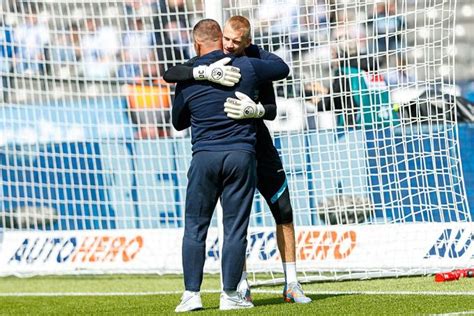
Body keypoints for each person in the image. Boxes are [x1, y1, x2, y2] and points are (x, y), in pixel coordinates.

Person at [164, 16, 311, 304]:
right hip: (239, 152)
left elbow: (271, 106)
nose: (229, 46)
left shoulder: (254, 65)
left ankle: (291, 283)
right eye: (226, 40)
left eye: (235, 41)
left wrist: (255, 110)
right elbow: (173, 73)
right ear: (220, 39)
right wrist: (202, 74)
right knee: (234, 223)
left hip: (256, 148)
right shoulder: (201, 69)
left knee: (282, 211)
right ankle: (237, 286)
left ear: (246, 42)